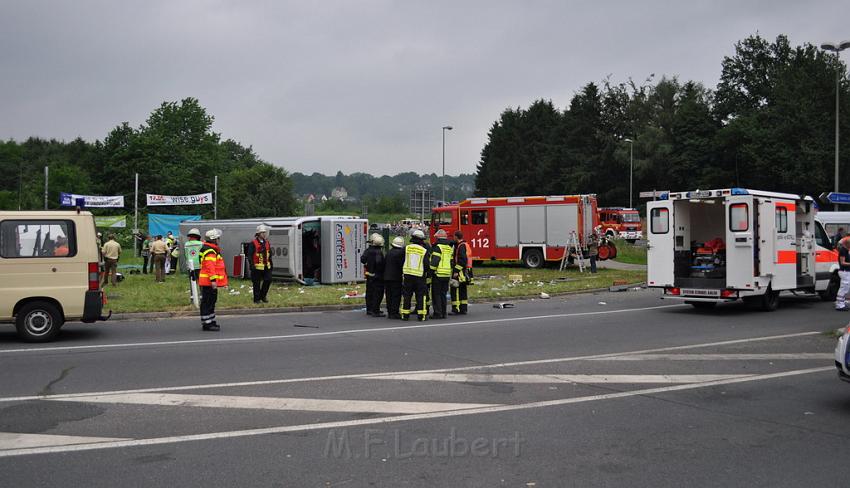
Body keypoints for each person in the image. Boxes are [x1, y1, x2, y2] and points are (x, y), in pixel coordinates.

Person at [198, 228, 228, 331]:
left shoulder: (208, 249)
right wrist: (213, 281)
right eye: (217, 238)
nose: (219, 240)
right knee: (208, 302)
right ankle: (207, 323)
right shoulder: (210, 251)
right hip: (208, 282)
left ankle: (210, 321)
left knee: (210, 301)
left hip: (207, 282)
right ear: (213, 239)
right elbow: (210, 267)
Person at [401, 229, 431, 321]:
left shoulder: (406, 248)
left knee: (407, 296)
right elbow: (426, 265)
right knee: (420, 296)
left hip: (408, 276)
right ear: (421, 240)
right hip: (419, 276)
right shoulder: (424, 250)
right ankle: (421, 316)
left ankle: (405, 315)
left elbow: (402, 260)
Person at [429, 229, 453, 319]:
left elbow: (435, 261)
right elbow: (451, 262)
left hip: (438, 274)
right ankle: (444, 313)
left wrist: (430, 272)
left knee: (436, 295)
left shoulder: (438, 247)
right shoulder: (449, 248)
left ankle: (437, 313)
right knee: (443, 294)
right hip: (446, 274)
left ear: (438, 237)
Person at [246, 224, 273, 303]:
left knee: (268, 280)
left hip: (266, 266)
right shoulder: (253, 243)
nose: (264, 234)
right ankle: (257, 299)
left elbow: (269, 254)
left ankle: (263, 296)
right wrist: (251, 266)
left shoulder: (267, 243)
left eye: (264, 232)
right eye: (262, 232)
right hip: (256, 267)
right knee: (256, 284)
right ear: (258, 234)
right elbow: (250, 255)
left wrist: (271, 264)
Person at [361, 233, 386, 317]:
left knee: (369, 292)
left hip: (369, 275)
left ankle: (369, 309)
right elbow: (379, 264)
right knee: (378, 293)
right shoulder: (378, 252)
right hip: (377, 276)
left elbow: (363, 260)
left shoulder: (368, 250)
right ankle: (376, 311)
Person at [384, 236, 406, 319]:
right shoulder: (400, 254)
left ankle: (390, 312)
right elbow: (402, 265)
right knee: (396, 296)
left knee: (389, 295)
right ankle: (394, 313)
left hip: (386, 277)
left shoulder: (389, 252)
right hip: (396, 278)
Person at [451, 230, 472, 315]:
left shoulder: (461, 246)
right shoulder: (464, 244)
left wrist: (456, 271)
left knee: (454, 288)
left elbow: (463, 261)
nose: (453, 238)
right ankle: (463, 309)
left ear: (456, 237)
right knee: (463, 290)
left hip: (460, 272)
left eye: (454, 236)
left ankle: (456, 309)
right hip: (465, 271)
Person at [836, 237, 850, 311]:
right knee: (844, 288)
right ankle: (839, 305)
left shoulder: (846, 250)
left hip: (846, 271)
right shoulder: (843, 251)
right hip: (844, 271)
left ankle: (842, 303)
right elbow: (842, 263)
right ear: (847, 244)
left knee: (846, 288)